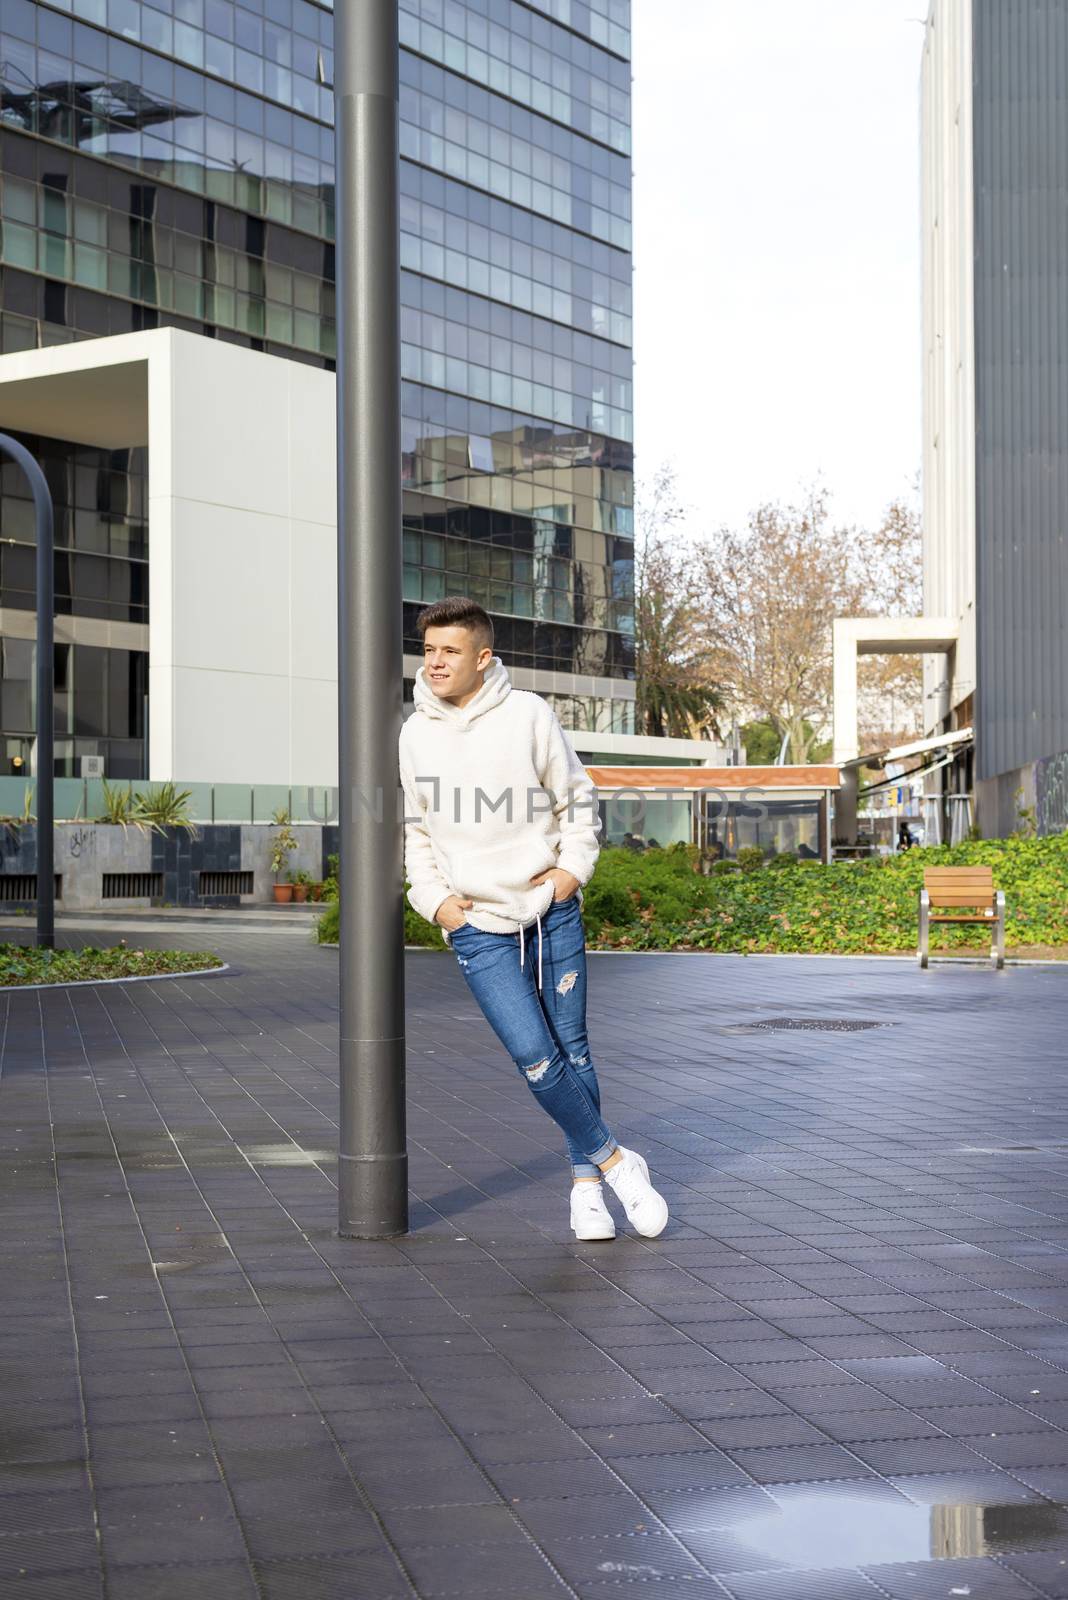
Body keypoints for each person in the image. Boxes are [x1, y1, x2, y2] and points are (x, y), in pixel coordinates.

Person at [398, 595, 669, 1242]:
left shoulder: (528, 715)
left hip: (550, 912)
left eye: (450, 651)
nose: (435, 662)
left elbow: (578, 799)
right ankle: (614, 1160)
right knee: (536, 1059)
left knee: (572, 1051)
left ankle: (585, 1191)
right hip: (475, 924)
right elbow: (417, 831)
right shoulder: (415, 733)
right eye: (429, 649)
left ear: (483, 657)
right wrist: (433, 901)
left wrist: (572, 870)